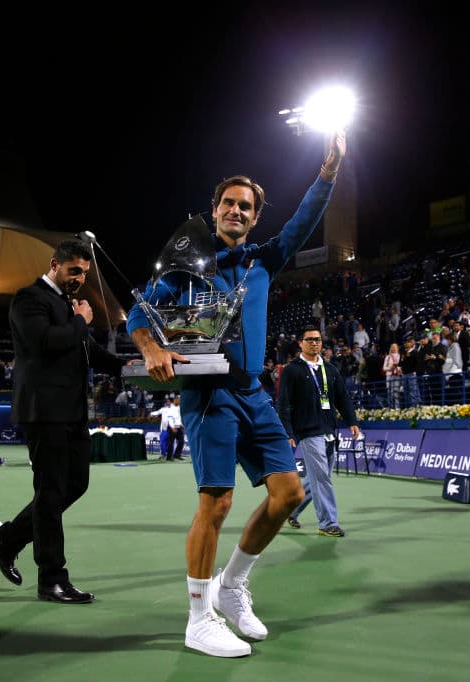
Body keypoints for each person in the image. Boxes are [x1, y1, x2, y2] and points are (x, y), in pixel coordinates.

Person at [127, 130, 345, 658]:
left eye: (246, 206)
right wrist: (152, 347)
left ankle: (231, 586)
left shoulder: (265, 261)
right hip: (209, 394)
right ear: (215, 209)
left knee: (289, 493)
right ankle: (198, 619)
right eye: (228, 202)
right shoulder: (188, 266)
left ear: (254, 217)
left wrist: (327, 174)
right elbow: (139, 315)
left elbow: (302, 223)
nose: (236, 210)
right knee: (217, 503)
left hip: (254, 393)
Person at [0, 239, 124, 605]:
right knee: (50, 492)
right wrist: (80, 320)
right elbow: (44, 341)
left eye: (84, 272)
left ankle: (7, 539)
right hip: (44, 411)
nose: (79, 277)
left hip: (73, 411)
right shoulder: (28, 299)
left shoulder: (66, 305)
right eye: (73, 270)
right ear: (54, 265)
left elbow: (86, 349)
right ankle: (51, 578)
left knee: (74, 484)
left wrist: (129, 366)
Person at [276, 325, 360, 537]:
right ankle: (327, 523)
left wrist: (351, 421)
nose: (314, 343)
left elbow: (342, 397)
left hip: (330, 430)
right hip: (307, 431)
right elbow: (283, 403)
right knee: (321, 477)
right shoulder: (292, 370)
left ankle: (290, 509)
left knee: (319, 477)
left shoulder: (330, 369)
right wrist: (288, 432)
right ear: (301, 343)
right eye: (310, 339)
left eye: (318, 339)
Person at [165, 395, 185, 461]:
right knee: (171, 443)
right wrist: (173, 427)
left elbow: (178, 418)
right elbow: (170, 418)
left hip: (178, 427)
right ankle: (169, 457)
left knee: (181, 441)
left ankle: (177, 455)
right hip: (171, 427)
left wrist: (181, 425)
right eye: (179, 400)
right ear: (175, 400)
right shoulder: (171, 407)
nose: (180, 401)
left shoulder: (179, 408)